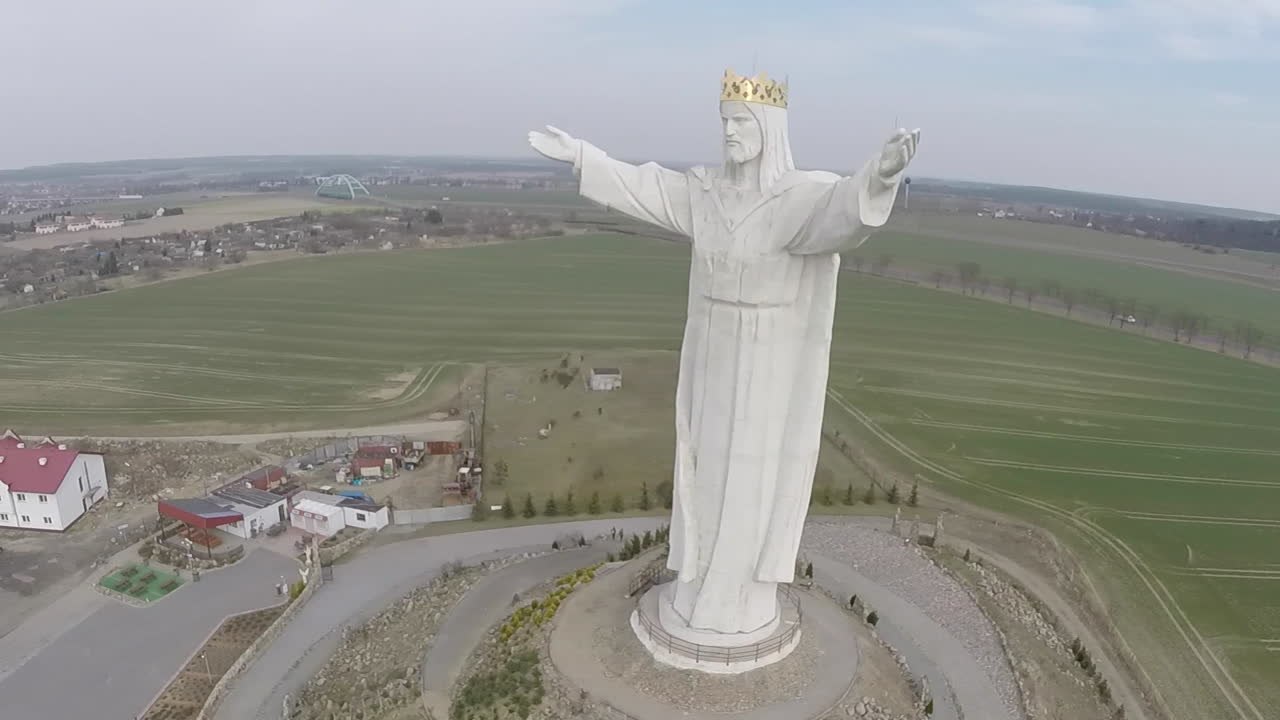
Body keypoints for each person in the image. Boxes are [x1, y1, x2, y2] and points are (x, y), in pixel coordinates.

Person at [529, 69, 919, 641]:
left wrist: (878, 178)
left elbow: (843, 212)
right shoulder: (705, 192)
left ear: (769, 126)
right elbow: (646, 187)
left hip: (766, 361)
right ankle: (697, 584)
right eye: (724, 123)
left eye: (740, 122)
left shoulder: (795, 199)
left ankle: (736, 599)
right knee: (704, 468)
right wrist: (583, 156)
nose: (729, 133)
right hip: (711, 348)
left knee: (749, 475)